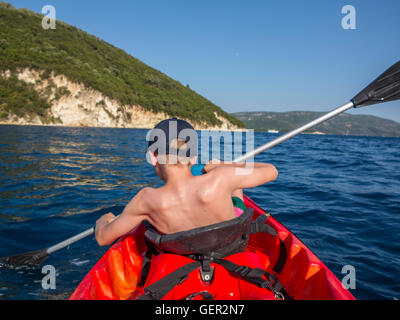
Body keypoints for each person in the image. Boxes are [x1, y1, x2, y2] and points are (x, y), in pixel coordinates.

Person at [95, 118, 278, 246]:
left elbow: (103, 238)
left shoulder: (145, 200)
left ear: (153, 157)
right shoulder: (221, 177)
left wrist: (105, 219)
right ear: (193, 158)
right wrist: (222, 165)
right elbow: (271, 171)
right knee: (235, 188)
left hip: (185, 255)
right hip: (231, 246)